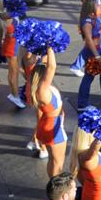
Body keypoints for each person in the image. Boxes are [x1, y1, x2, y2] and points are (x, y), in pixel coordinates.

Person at [75, 0, 101, 110]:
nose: (100, 7)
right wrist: (96, 55)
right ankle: (82, 104)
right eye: (98, 6)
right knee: (89, 76)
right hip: (92, 52)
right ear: (91, 12)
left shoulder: (94, 19)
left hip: (98, 50)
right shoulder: (87, 23)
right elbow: (89, 40)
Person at [32, 47, 67, 177]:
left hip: (47, 124)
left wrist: (44, 51)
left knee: (53, 160)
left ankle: (53, 183)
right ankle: (56, 186)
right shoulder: (43, 90)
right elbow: (52, 67)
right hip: (53, 128)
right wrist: (50, 46)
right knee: (58, 163)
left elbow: (45, 65)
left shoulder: (39, 88)